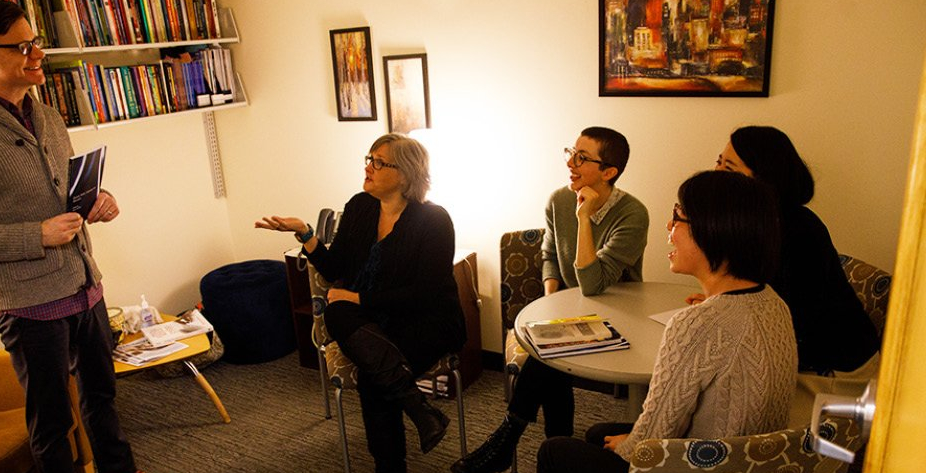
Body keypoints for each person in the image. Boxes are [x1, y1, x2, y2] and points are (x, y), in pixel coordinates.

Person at [0, 0, 141, 472]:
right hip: (29, 305)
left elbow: (57, 193)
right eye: (22, 47)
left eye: (36, 42)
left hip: (86, 287)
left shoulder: (44, 113)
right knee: (51, 423)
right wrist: (35, 236)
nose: (38, 55)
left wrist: (96, 200)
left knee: (104, 402)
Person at [536, 171, 797, 473]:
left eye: (678, 216)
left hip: (702, 464)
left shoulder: (697, 324)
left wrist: (630, 443)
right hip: (754, 460)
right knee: (597, 434)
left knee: (554, 451)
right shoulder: (774, 303)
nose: (669, 227)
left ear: (713, 230)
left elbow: (651, 439)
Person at [256, 133, 466, 473]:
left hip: (427, 321)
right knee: (337, 309)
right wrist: (306, 234)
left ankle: (392, 463)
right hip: (375, 321)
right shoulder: (359, 207)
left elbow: (424, 294)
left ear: (405, 174)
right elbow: (336, 266)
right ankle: (420, 410)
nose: (368, 167)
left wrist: (359, 297)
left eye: (379, 162)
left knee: (374, 376)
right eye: (368, 158)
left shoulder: (434, 220)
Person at [451, 127, 649, 473]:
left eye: (582, 158)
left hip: (619, 318)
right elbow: (550, 256)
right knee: (551, 356)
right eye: (571, 152)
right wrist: (551, 301)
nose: (571, 163)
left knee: (549, 358)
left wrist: (584, 217)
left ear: (609, 172)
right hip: (574, 313)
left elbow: (592, 283)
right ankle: (551, 445)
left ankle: (509, 438)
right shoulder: (558, 199)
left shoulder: (633, 214)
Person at [709, 125, 880, 424]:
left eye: (729, 166)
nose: (716, 172)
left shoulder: (799, 231)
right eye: (718, 161)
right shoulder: (753, 223)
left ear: (762, 177)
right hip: (794, 351)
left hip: (833, 370)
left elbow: (796, 320)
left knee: (726, 409)